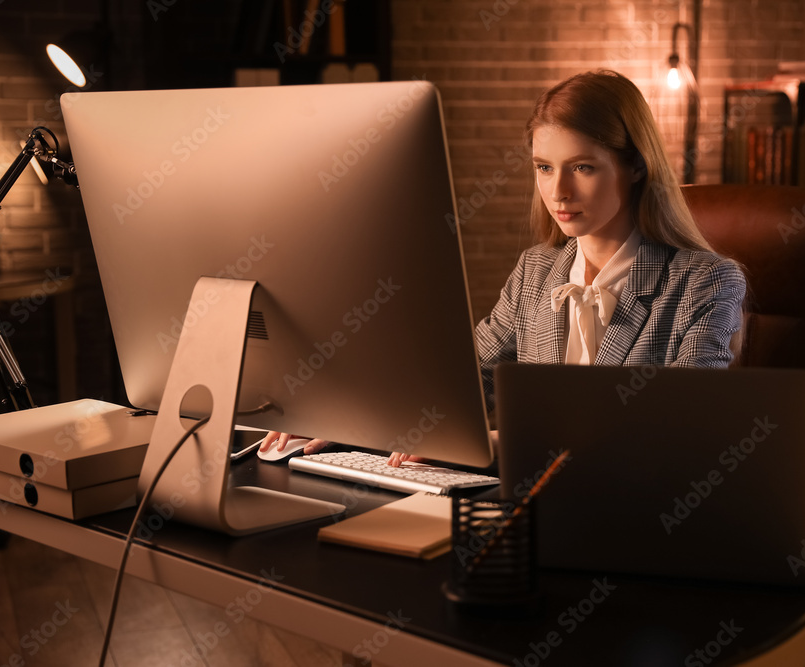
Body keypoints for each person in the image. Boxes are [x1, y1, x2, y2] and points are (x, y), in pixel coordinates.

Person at [264, 69, 746, 462]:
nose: (558, 191)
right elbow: (462, 382)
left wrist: (496, 447)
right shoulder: (536, 272)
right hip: (528, 510)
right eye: (543, 167)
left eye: (583, 167)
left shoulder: (706, 284)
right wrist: (350, 422)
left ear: (636, 166)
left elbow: (679, 437)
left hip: (637, 520)